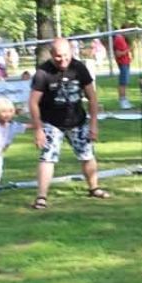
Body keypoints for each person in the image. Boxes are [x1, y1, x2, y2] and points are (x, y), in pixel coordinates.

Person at [28, 37, 109, 210]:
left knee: (87, 155)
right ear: (51, 55)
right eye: (58, 56)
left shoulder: (79, 68)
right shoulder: (43, 73)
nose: (62, 60)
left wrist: (94, 124)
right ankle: (41, 197)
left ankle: (94, 188)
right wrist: (38, 129)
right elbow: (33, 102)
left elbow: (92, 97)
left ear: (71, 53)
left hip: (77, 120)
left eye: (65, 55)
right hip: (51, 122)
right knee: (47, 158)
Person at [112, 31, 133, 109]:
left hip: (126, 62)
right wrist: (127, 50)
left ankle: (125, 100)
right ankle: (122, 100)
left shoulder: (123, 39)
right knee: (123, 82)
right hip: (123, 63)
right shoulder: (118, 39)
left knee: (125, 82)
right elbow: (118, 54)